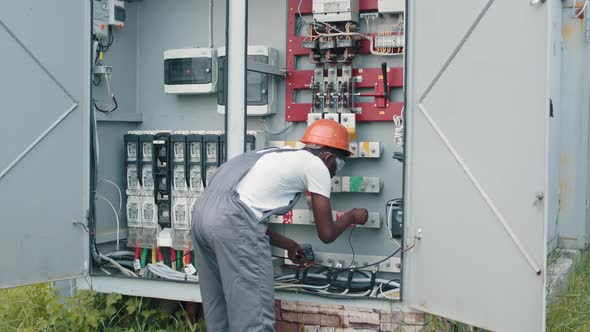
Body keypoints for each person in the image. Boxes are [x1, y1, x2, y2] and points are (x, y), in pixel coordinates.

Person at [191, 119, 369, 332]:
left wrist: (288, 244)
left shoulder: (274, 154)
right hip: (231, 222)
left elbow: (244, 216)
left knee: (218, 311)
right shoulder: (317, 166)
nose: (335, 172)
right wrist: (351, 216)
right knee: (254, 317)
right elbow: (326, 233)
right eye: (339, 164)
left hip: (201, 215)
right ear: (328, 156)